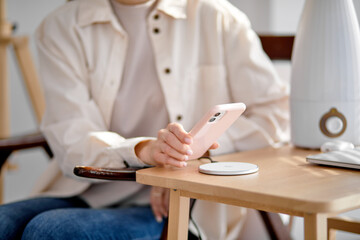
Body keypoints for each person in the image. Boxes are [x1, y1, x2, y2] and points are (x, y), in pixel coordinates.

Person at [0, 0, 289, 239]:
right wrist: (145, 151)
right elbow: (71, 137)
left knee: (49, 231)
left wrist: (189, 156)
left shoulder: (217, 17)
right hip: (88, 188)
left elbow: (276, 114)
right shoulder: (61, 27)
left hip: (178, 202)